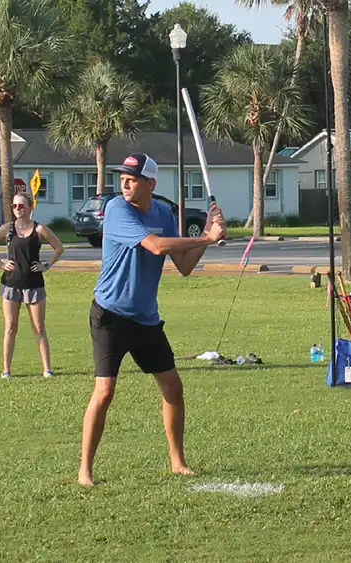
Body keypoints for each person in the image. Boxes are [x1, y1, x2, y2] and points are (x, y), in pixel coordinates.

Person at [78, 153, 226, 487]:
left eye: (132, 178)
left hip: (145, 318)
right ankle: (85, 471)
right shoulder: (117, 209)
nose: (125, 183)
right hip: (110, 315)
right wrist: (207, 238)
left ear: (151, 184)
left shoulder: (162, 212)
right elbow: (156, 247)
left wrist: (205, 234)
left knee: (173, 387)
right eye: (122, 177)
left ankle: (177, 462)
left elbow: (184, 267)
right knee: (105, 392)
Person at [0, 193, 65, 379]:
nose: (17, 209)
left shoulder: (39, 229)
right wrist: (0, 264)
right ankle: (6, 370)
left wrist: (47, 265)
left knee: (39, 327)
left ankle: (47, 369)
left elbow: (59, 248)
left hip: (34, 284)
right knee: (10, 327)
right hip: (11, 284)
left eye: (21, 206)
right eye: (14, 206)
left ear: (30, 207)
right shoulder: (7, 229)